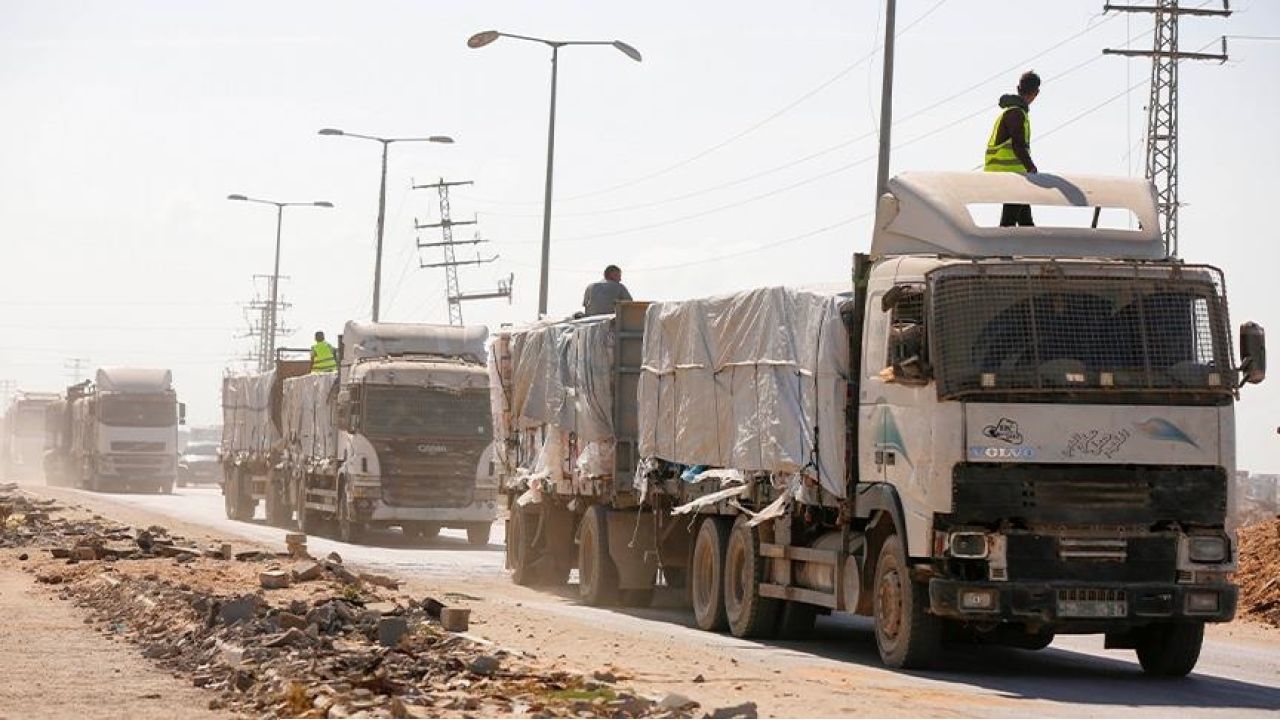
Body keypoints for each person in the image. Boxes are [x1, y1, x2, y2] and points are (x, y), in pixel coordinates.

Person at [984, 70, 1040, 227]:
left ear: (1018, 88)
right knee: (1009, 222)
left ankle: (1028, 250)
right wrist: (1031, 167)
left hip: (1012, 174)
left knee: (1025, 222)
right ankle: (1001, 251)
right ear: (1036, 93)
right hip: (1012, 175)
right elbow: (1018, 145)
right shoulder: (1017, 113)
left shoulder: (1013, 111)